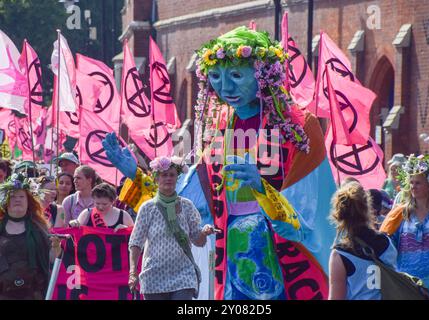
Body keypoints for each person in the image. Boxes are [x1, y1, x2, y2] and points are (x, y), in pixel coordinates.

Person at [105, 26, 336, 300]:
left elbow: (312, 206)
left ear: (263, 75)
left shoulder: (297, 127)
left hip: (282, 257)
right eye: (216, 76)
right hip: (233, 256)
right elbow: (186, 201)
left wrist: (263, 190)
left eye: (236, 75)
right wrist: (137, 174)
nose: (226, 87)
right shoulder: (219, 129)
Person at [128, 156, 217, 300]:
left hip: (183, 275)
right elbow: (136, 242)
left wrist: (204, 232)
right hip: (154, 275)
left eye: (172, 175)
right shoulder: (147, 208)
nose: (168, 178)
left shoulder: (187, 206)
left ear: (177, 178)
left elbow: (198, 241)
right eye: (164, 175)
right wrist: (132, 272)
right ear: (156, 178)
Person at [380, 154, 429, 299]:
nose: (413, 186)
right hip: (407, 283)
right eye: (411, 182)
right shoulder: (400, 213)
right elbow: (385, 244)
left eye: (418, 183)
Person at [328, 182, 397, 300]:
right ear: (367, 209)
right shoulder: (386, 243)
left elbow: (336, 297)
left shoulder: (340, 254)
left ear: (339, 215)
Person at [0, 173, 62, 300]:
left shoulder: (39, 226)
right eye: (13, 197)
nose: (17, 200)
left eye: (22, 196)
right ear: (6, 202)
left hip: (33, 293)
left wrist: (56, 247)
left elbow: (52, 259)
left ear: (29, 202)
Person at [69, 182, 134, 231]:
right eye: (97, 203)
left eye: (104, 204)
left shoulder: (123, 215)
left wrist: (126, 229)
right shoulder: (87, 214)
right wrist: (73, 224)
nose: (100, 207)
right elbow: (75, 232)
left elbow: (135, 236)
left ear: (113, 201)